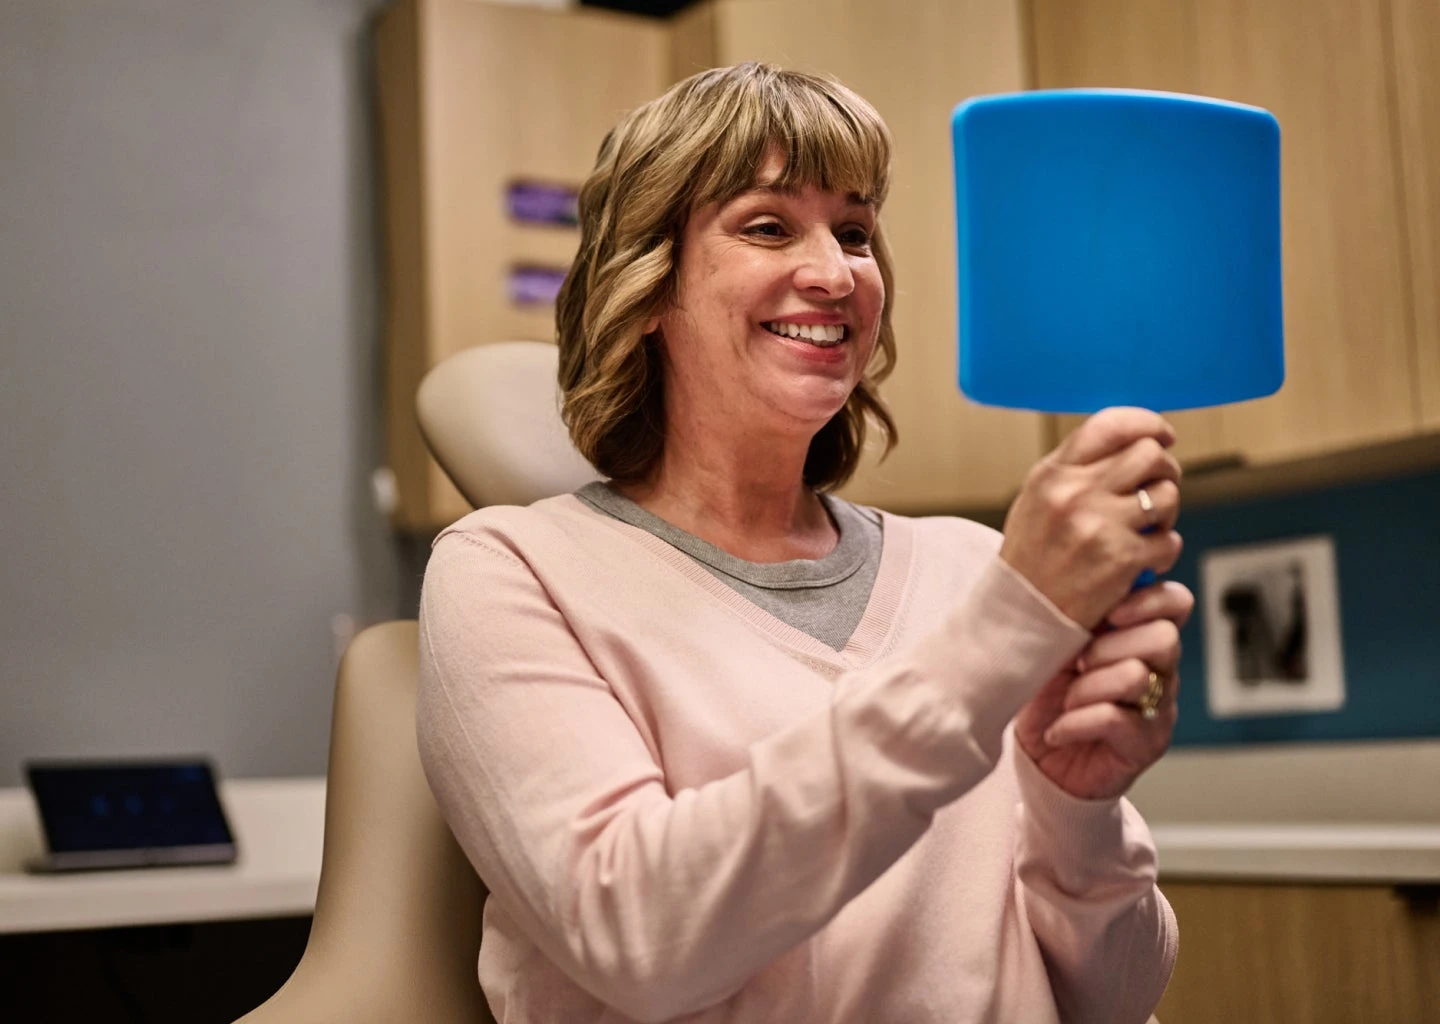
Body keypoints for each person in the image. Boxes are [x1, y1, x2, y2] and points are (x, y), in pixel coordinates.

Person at [417, 62, 1188, 1024]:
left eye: (855, 233)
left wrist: (1080, 814)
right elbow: (636, 935)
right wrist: (1001, 641)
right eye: (768, 226)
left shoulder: (974, 568)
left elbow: (1116, 999)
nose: (835, 273)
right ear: (647, 283)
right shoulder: (509, 571)